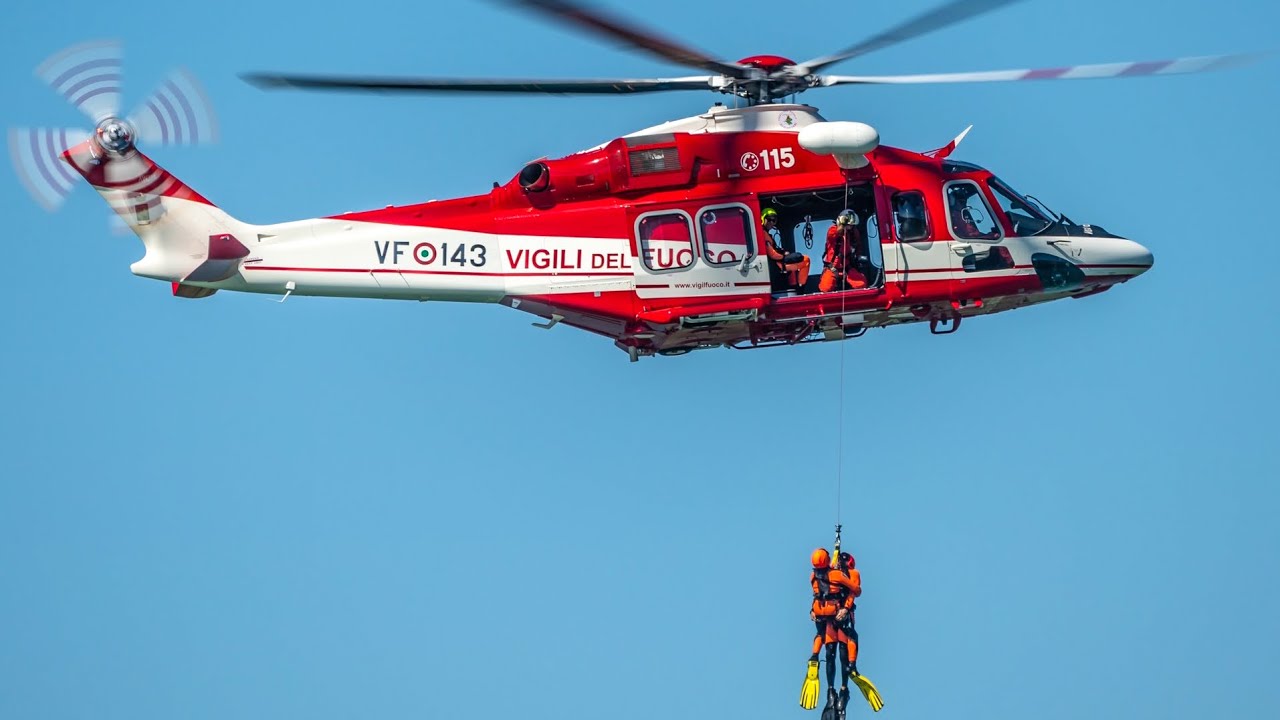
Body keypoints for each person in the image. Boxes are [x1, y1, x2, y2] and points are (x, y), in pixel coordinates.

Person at [799, 547, 861, 719]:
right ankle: (837, 689)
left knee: (835, 653)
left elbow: (853, 590)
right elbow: (854, 591)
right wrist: (815, 610)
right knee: (837, 653)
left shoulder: (821, 576)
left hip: (830, 619)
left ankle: (837, 690)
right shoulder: (829, 576)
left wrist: (844, 609)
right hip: (831, 619)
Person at [761, 208, 811, 293]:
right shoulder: (764, 234)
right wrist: (785, 257)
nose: (771, 222)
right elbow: (772, 254)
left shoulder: (766, 233)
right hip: (777, 265)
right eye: (769, 219)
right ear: (763, 219)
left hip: (778, 263)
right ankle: (800, 288)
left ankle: (793, 287)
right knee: (806, 260)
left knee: (794, 258)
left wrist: (784, 253)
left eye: (774, 220)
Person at [819, 210, 868, 292]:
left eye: (851, 225)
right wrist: (842, 226)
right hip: (832, 268)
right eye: (848, 225)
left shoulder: (853, 233)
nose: (850, 227)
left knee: (861, 284)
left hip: (847, 267)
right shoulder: (833, 230)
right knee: (825, 288)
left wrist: (858, 256)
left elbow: (858, 245)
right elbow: (833, 234)